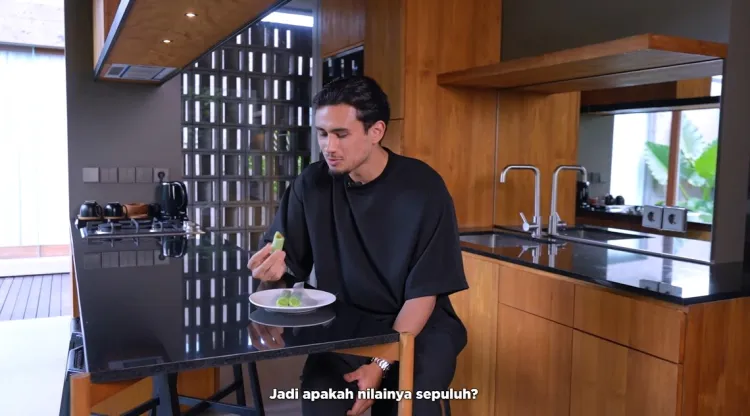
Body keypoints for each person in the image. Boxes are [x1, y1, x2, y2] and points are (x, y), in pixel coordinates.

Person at [247, 76, 469, 416]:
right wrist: (269, 274)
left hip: (419, 329)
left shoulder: (423, 188)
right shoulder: (312, 184)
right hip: (347, 325)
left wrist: (379, 365)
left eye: (341, 134)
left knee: (408, 403)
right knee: (320, 400)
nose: (329, 147)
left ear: (376, 131)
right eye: (323, 133)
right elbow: (284, 266)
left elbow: (423, 295)